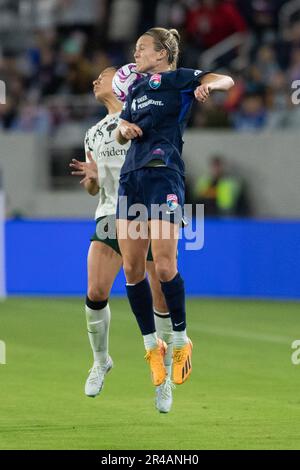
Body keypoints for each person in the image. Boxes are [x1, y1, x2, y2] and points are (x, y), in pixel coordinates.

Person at [116, 27, 234, 387]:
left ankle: (181, 340)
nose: (136, 55)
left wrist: (208, 86)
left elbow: (227, 79)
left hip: (163, 176)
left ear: (162, 54)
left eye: (142, 49)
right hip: (131, 179)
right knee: (132, 269)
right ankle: (153, 347)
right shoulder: (135, 88)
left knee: (164, 266)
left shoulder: (179, 79)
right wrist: (123, 127)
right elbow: (122, 127)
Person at [70, 66, 174, 413]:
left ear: (120, 80)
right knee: (96, 291)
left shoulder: (141, 113)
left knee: (158, 289)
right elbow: (92, 189)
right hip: (108, 214)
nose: (94, 80)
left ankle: (164, 375)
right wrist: (92, 177)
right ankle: (101, 361)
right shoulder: (92, 133)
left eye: (102, 74)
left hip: (143, 208)